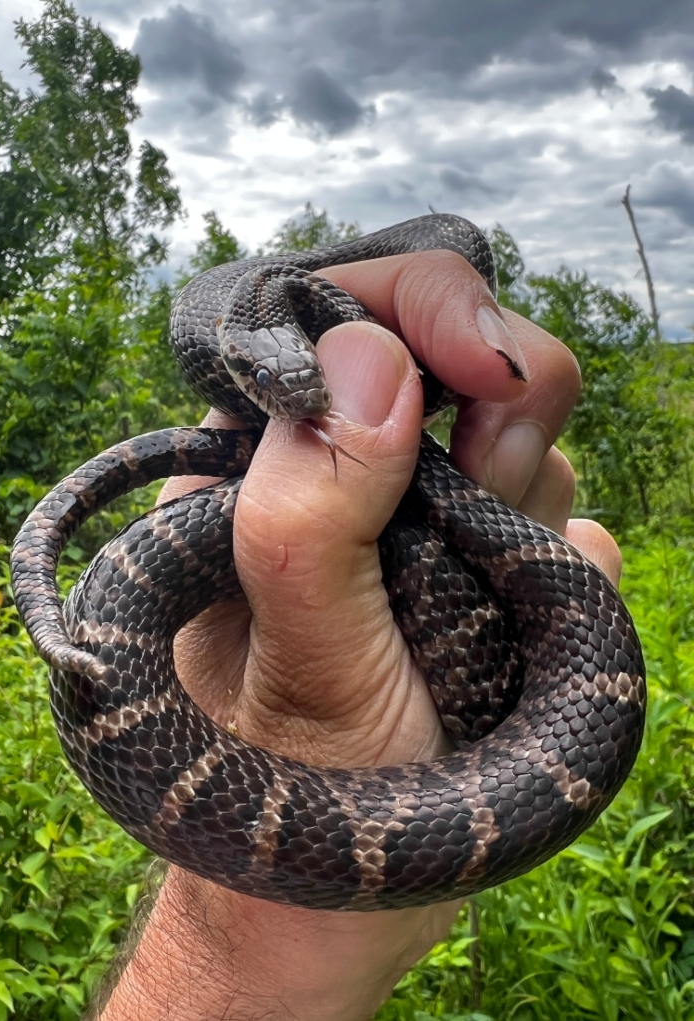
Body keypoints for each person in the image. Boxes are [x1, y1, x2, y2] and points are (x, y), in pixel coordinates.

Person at [95, 250, 621, 1021]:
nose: (300, 399)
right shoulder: (235, 331)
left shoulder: (269, 328)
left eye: (303, 376)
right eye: (272, 384)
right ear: (239, 357)